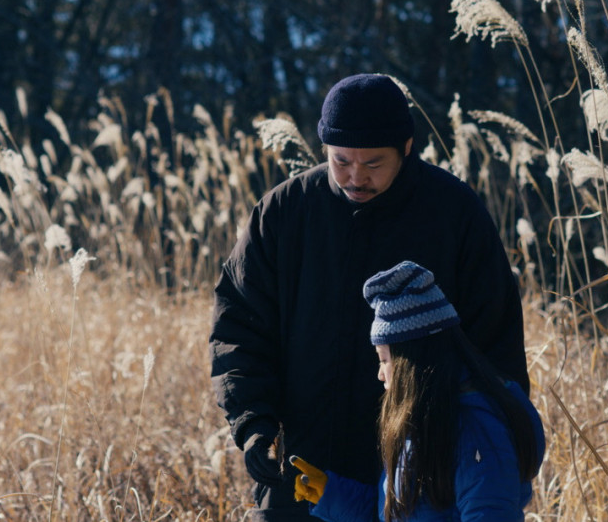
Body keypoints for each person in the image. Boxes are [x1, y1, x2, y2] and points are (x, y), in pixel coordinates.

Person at [209, 73, 530, 521]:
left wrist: (483, 446)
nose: (356, 176)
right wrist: (255, 426)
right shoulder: (283, 213)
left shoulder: (454, 214)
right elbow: (238, 331)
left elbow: (494, 350)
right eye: (341, 161)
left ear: (407, 147)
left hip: (419, 475)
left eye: (374, 163)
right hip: (304, 473)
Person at [289, 260, 545, 522]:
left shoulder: (477, 431)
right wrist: (332, 496)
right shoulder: (428, 421)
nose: (380, 373)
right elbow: (402, 515)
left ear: (410, 362)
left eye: (384, 359)